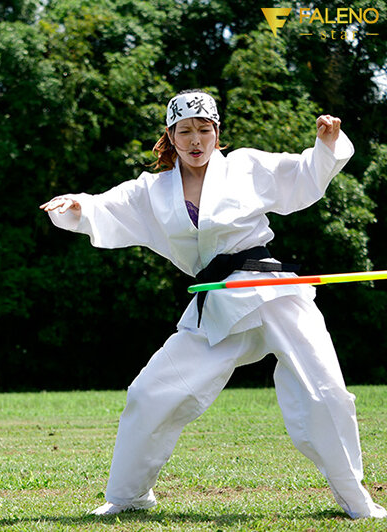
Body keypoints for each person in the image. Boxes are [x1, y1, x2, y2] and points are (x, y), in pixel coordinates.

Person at [40, 90, 386, 519]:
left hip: (272, 291)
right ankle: (130, 495)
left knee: (326, 390)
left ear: (217, 133)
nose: (196, 139)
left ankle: (357, 500)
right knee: (150, 392)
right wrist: (78, 205)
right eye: (185, 131)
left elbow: (301, 175)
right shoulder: (153, 190)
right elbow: (107, 207)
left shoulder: (245, 167)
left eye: (204, 130)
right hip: (215, 302)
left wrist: (326, 145)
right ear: (170, 136)